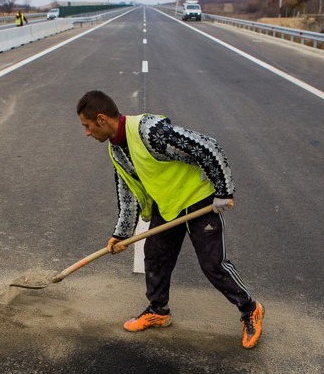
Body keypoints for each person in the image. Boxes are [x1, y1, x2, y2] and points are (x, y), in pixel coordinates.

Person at [76, 90, 264, 349]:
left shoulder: (149, 131)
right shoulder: (116, 150)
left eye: (86, 126)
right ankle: (158, 311)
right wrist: (122, 234)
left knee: (213, 264)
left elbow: (207, 146)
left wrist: (223, 190)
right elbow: (128, 192)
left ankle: (250, 309)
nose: (86, 132)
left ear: (101, 119)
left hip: (200, 201)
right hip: (168, 206)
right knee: (155, 256)